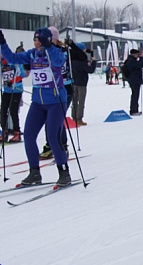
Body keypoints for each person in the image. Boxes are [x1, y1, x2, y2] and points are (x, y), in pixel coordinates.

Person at [0, 27, 72, 186]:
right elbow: (12, 58)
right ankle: (34, 173)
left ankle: (64, 172)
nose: (36, 41)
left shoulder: (56, 52)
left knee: (53, 137)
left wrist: (49, 47)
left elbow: (59, 61)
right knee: (30, 136)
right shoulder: (32, 54)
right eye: (35, 39)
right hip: (38, 103)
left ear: (46, 40)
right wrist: (3, 43)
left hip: (55, 101)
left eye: (39, 39)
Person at [40, 28, 87, 159]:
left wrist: (72, 44)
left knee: (57, 119)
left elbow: (83, 57)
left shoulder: (64, 50)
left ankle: (62, 146)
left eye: (50, 38)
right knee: (49, 119)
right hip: (50, 89)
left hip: (65, 89)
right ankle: (50, 145)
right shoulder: (43, 51)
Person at [0, 48, 27, 142]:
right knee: (3, 111)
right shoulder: (2, 63)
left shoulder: (13, 61)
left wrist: (11, 82)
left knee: (13, 111)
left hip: (16, 90)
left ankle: (17, 133)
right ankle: (4, 132)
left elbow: (22, 74)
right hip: (6, 90)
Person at [71, 42, 97, 126]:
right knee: (81, 101)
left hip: (73, 82)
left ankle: (74, 117)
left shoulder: (72, 59)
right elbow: (90, 70)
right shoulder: (82, 60)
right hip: (82, 83)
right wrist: (93, 62)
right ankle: (79, 118)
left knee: (74, 101)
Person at [125, 48, 143, 116]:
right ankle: (133, 110)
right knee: (135, 95)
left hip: (133, 80)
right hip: (134, 80)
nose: (138, 56)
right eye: (137, 54)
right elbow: (140, 65)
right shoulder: (131, 61)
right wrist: (141, 58)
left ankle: (135, 109)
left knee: (135, 95)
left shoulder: (130, 60)